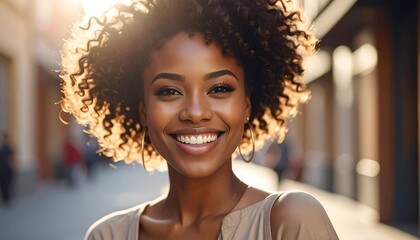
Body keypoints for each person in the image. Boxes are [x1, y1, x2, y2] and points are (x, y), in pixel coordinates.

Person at [60, 0, 338, 239]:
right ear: (143, 110)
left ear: (246, 104)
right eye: (169, 91)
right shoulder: (108, 235)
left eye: (219, 89)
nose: (195, 112)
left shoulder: (290, 220)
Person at [0, 134, 14, 206]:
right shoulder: (6, 149)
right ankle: (6, 199)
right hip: (5, 170)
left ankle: (6, 199)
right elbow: (11, 160)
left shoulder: (7, 149)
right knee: (5, 185)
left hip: (6, 170)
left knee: (5, 186)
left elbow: (11, 160)